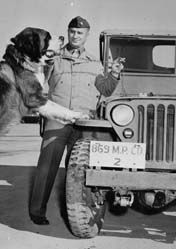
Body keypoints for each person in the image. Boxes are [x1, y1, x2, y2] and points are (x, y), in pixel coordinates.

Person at [29, 16, 123, 225]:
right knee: (47, 165)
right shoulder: (55, 58)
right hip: (58, 118)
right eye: (72, 32)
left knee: (80, 169)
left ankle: (79, 212)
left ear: (87, 35)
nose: (75, 35)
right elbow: (40, 76)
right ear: (68, 33)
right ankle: (37, 211)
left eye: (80, 33)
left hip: (84, 122)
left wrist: (114, 75)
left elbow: (105, 90)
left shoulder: (95, 63)